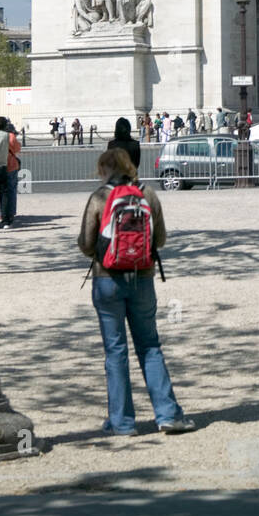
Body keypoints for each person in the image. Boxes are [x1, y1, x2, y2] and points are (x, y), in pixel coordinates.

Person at [78, 148, 194, 435]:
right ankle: (167, 414)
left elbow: (85, 243)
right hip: (142, 278)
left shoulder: (99, 197)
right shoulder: (148, 194)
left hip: (107, 280)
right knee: (150, 346)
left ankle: (122, 422)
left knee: (115, 351)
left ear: (104, 169)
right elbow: (162, 239)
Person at [1, 121, 21, 229]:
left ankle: (1, 213)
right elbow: (17, 148)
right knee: (12, 191)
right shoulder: (11, 136)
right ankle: (11, 214)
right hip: (11, 165)